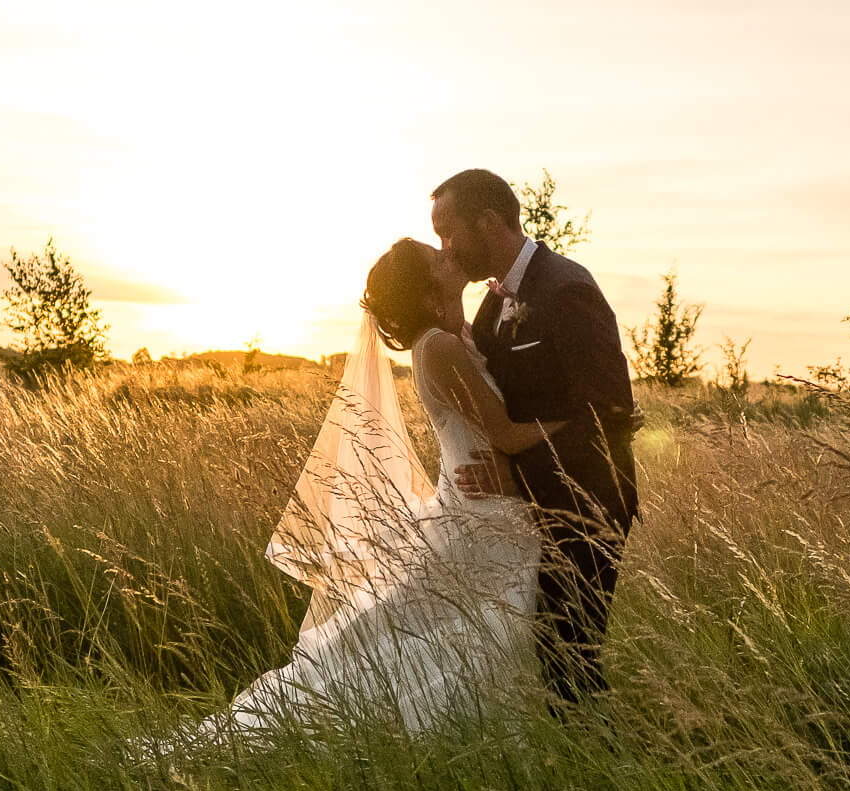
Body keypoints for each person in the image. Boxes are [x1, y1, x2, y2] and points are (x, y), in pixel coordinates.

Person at [188, 238, 560, 742]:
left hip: (492, 512)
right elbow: (510, 435)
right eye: (439, 258)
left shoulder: (462, 334)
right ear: (429, 293)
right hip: (482, 521)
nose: (452, 254)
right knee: (461, 643)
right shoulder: (440, 347)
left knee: (449, 642)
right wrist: (597, 417)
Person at [431, 168, 639, 707]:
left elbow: (610, 411)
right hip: (532, 504)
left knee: (568, 656)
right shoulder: (493, 301)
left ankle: (599, 769)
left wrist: (518, 472)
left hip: (585, 498)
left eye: (448, 232)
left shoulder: (565, 288)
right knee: (543, 656)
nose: (444, 248)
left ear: (490, 221)